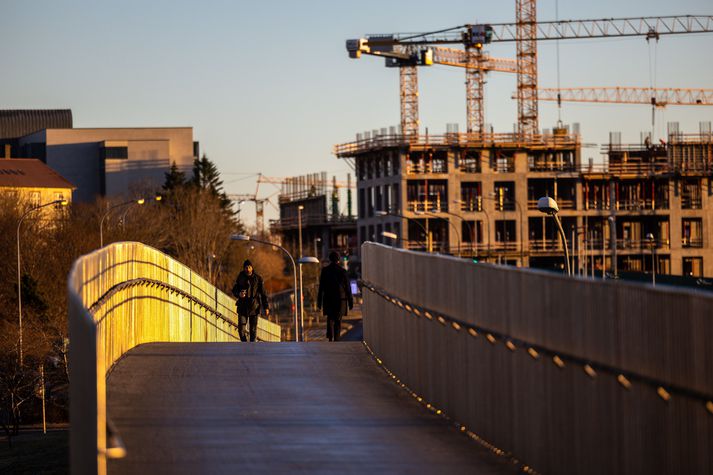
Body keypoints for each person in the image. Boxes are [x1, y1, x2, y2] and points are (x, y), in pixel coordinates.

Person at [317, 252, 353, 342]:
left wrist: (319, 302)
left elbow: (321, 287)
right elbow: (348, 288)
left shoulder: (325, 271)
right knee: (338, 319)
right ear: (338, 260)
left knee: (330, 318)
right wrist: (350, 301)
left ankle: (330, 336)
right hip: (341, 300)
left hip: (328, 299)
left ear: (330, 259)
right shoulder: (342, 271)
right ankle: (336, 338)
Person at [232, 259, 269, 342]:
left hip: (254, 307)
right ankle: (245, 344)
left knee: (253, 330)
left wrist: (266, 307)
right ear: (244, 268)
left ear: (252, 268)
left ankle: (252, 348)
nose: (248, 269)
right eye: (246, 267)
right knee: (241, 330)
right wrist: (239, 294)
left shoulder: (258, 279)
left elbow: (263, 294)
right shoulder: (240, 277)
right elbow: (234, 290)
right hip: (242, 306)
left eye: (249, 267)